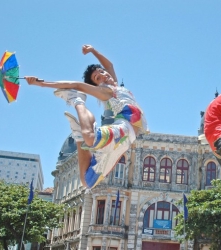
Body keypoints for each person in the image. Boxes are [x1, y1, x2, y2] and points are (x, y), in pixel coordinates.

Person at [25, 44, 149, 189]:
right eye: (98, 77)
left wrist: (93, 51)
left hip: (127, 141)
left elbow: (109, 65)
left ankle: (78, 135)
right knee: (90, 139)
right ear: (97, 85)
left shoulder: (116, 85)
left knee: (88, 181)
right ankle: (77, 101)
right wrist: (42, 83)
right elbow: (76, 84)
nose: (103, 75)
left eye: (102, 72)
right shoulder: (106, 91)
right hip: (124, 129)